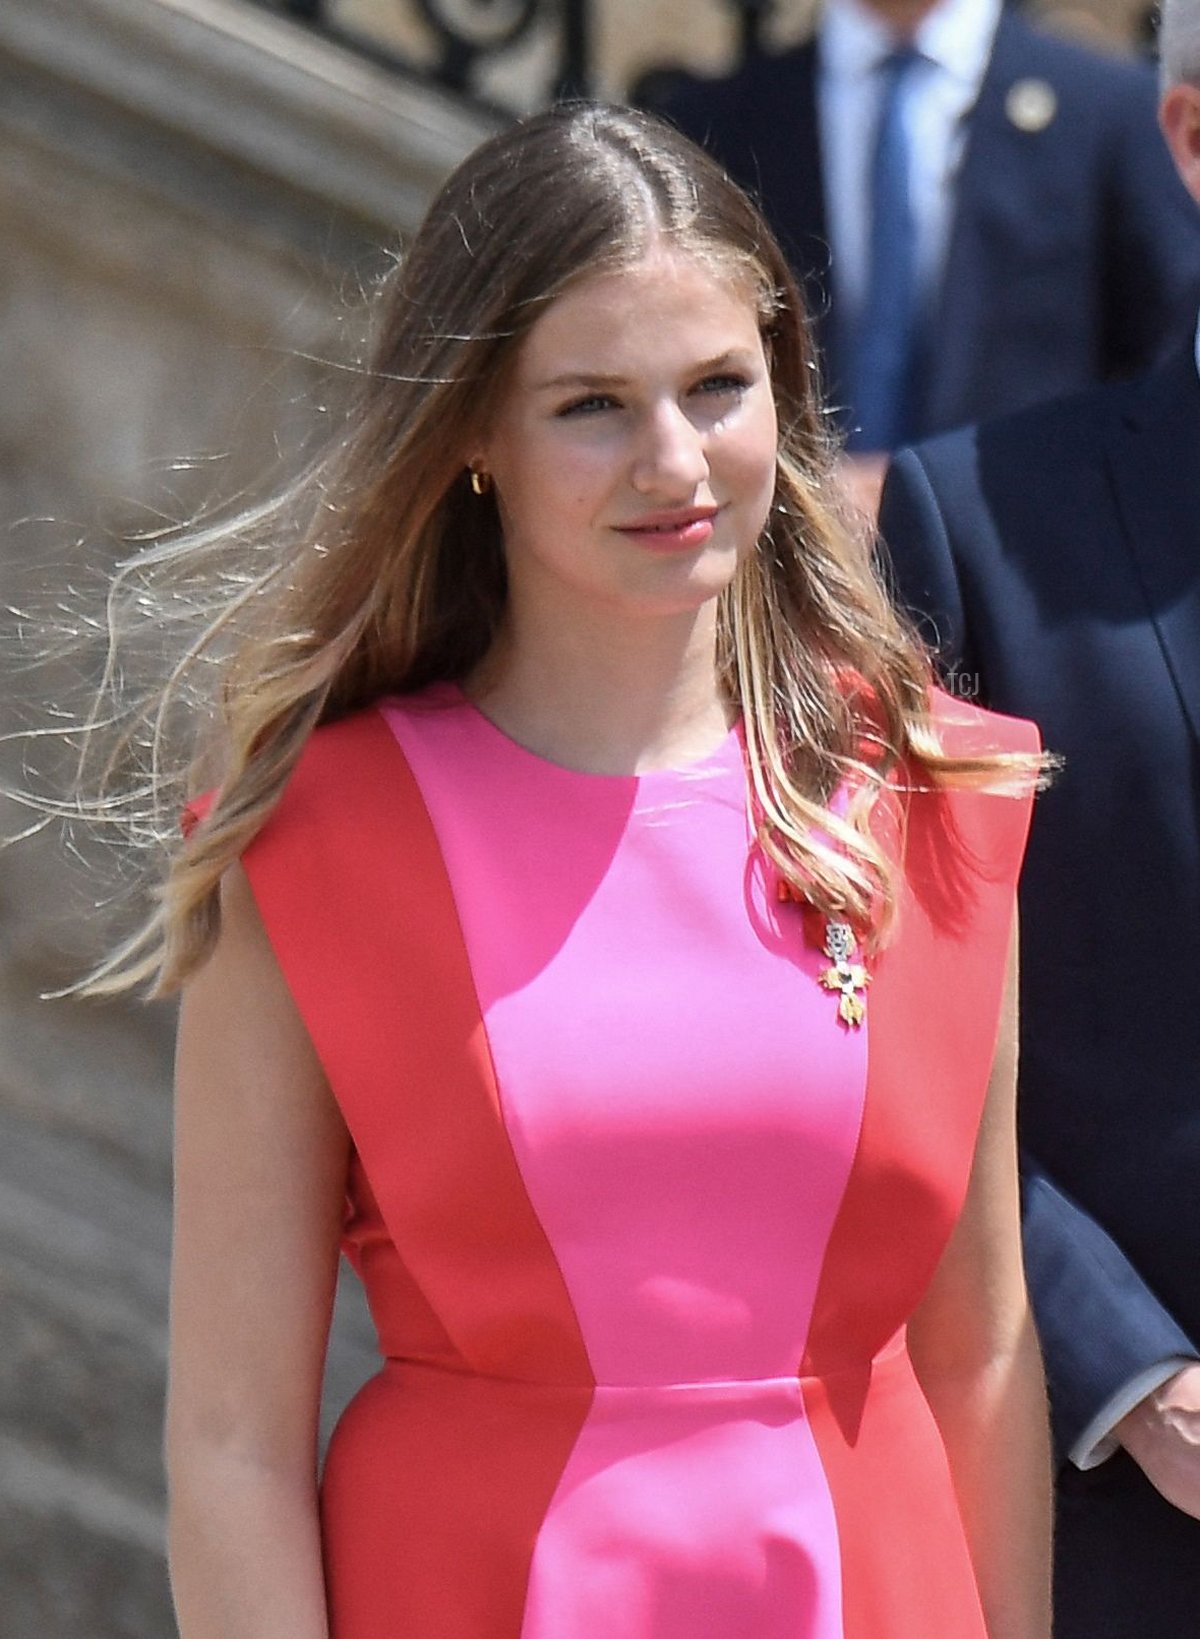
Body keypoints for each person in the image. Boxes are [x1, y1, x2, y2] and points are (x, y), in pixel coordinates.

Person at [86, 105, 1052, 1636]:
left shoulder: (932, 795)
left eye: (719, 386)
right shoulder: (321, 838)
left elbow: (982, 1355)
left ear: (783, 394)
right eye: (592, 403)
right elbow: (230, 1444)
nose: (676, 459)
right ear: (471, 434)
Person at [876, 1, 1200, 1629]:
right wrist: (1135, 1372)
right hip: (1113, 1522)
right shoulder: (975, 518)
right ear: (1194, 142)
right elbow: (892, 1035)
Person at [647, 0, 1200, 457]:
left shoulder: (1110, 112)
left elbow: (1167, 355)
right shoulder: (714, 121)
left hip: (1031, 549)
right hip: (793, 553)